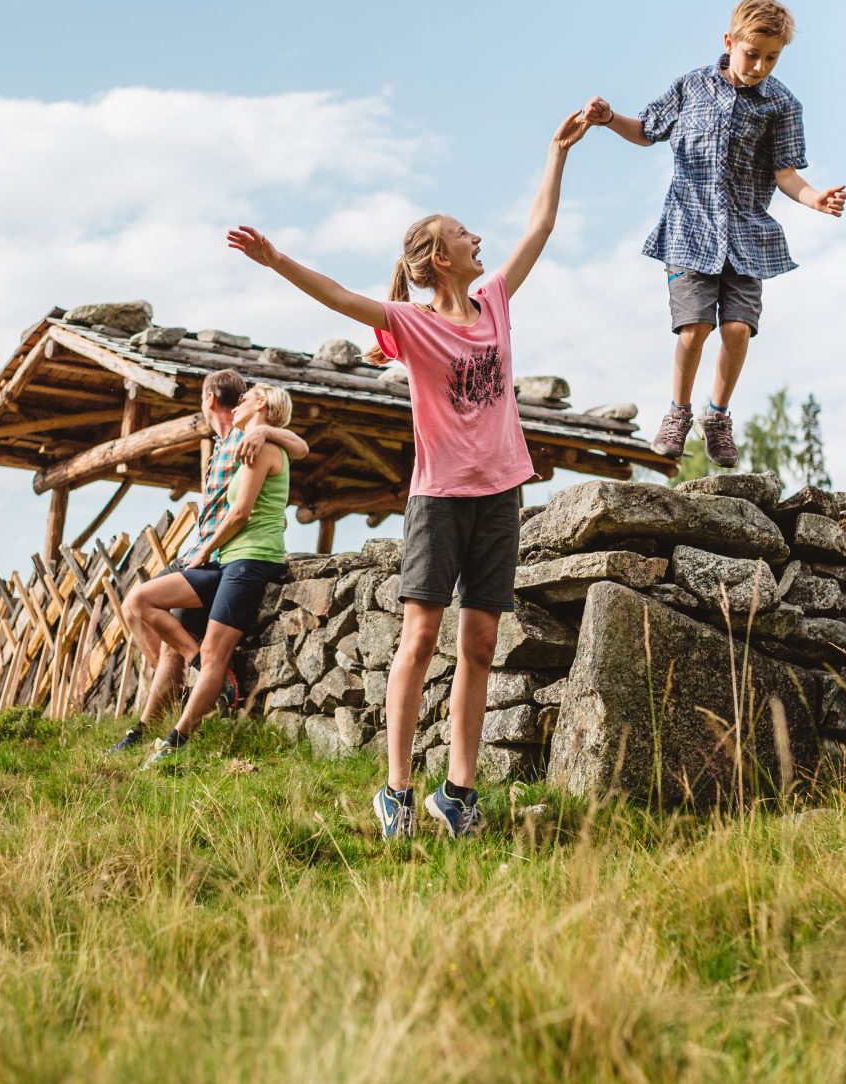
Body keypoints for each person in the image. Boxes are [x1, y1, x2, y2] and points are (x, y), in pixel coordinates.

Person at [225, 108, 590, 838]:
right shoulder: (412, 323)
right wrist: (276, 261)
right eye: (465, 233)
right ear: (441, 257)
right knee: (421, 637)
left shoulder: (493, 304)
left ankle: (457, 793)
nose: (479, 238)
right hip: (439, 498)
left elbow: (540, 230)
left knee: (482, 644)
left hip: (500, 494)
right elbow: (338, 295)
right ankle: (396, 788)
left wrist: (556, 151)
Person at [582, 0, 846, 469]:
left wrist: (816, 200)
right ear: (730, 42)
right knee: (694, 329)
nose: (760, 66)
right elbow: (646, 130)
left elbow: (787, 173)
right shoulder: (691, 87)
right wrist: (607, 119)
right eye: (753, 54)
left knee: (738, 329)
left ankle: (717, 416)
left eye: (772, 58)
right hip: (688, 229)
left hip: (747, 235)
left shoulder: (782, 105)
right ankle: (678, 413)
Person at [114, 370, 306, 753]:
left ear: (209, 400)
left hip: (224, 556)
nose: (239, 407)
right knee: (144, 610)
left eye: (247, 400)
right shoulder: (228, 443)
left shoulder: (250, 440)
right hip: (213, 552)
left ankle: (170, 731)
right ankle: (158, 714)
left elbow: (295, 450)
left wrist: (265, 431)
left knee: (187, 642)